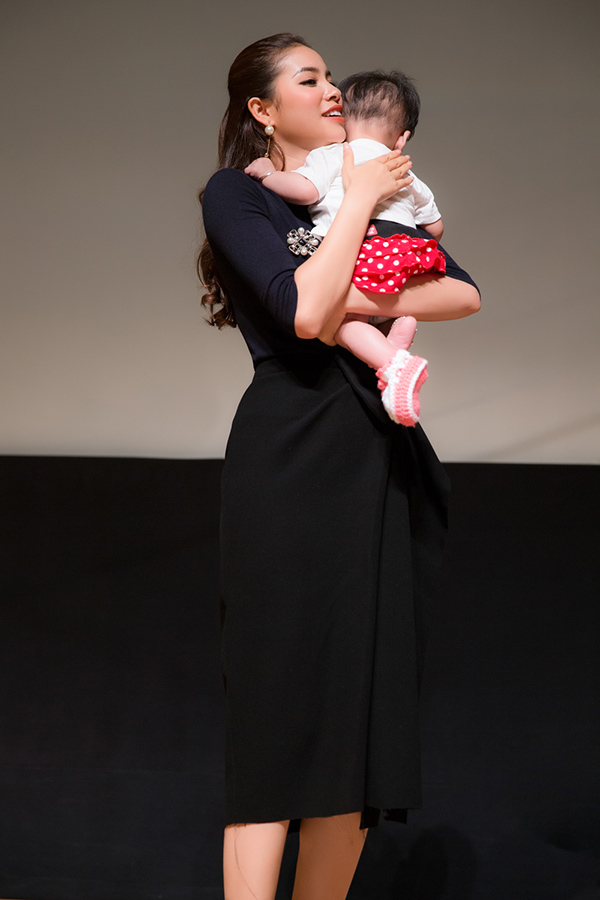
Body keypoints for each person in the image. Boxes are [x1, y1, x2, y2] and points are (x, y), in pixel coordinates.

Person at [199, 33, 480, 900]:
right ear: (262, 109)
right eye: (309, 79)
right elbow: (301, 317)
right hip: (289, 458)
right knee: (275, 722)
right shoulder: (240, 194)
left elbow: (463, 292)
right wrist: (355, 200)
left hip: (378, 456)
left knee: (360, 731)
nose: (331, 91)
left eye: (331, 78)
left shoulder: (378, 188)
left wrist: (337, 283)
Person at [244, 70, 459, 427]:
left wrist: (268, 174)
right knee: (384, 312)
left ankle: (393, 365)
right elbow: (435, 228)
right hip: (406, 256)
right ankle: (395, 339)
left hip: (361, 253)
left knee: (344, 324)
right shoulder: (405, 171)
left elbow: (305, 191)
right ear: (402, 138)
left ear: (342, 120)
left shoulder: (334, 154)